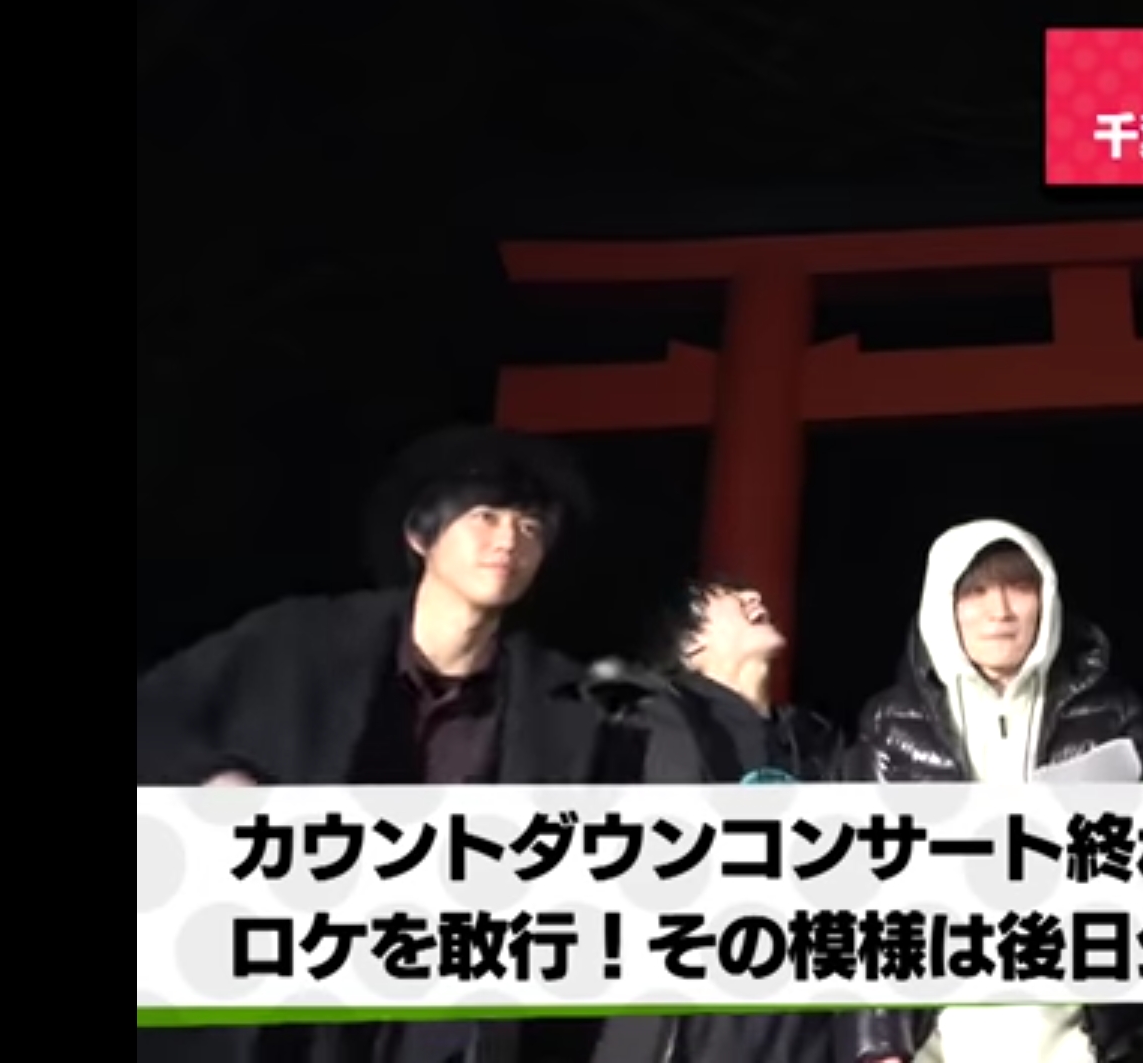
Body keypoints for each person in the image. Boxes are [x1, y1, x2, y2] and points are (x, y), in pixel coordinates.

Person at [135, 426, 607, 1063]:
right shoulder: (299, 643)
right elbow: (154, 716)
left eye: (530, 527)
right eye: (486, 516)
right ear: (419, 535)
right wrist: (217, 781)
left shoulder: (562, 703)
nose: (509, 540)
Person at [846, 519, 1143, 1063]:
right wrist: (880, 1045)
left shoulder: (1114, 712)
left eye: (1019, 586)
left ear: (1047, 597)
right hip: (941, 1037)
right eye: (975, 592)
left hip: (1078, 1036)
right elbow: (868, 889)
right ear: (941, 603)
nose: (1000, 611)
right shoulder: (890, 722)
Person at [586, 578, 843, 1063]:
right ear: (690, 644)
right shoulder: (653, 724)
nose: (756, 597)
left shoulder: (814, 741)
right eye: (730, 596)